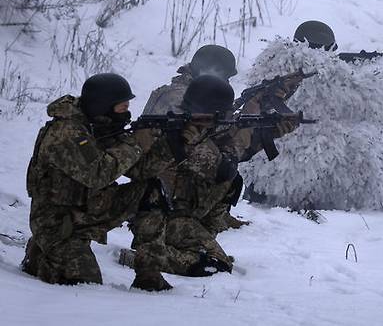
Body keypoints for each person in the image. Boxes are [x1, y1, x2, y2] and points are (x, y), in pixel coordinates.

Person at [129, 75, 299, 291]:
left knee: (233, 182)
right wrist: (251, 114)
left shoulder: (194, 126)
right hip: (164, 219)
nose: (228, 116)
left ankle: (199, 240)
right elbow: (224, 166)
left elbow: (235, 149)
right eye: (225, 112)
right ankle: (145, 258)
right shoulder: (182, 134)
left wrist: (271, 131)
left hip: (180, 211)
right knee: (216, 264)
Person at [242, 20, 383, 215]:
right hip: (314, 168)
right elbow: (375, 106)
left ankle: (257, 193)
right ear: (329, 47)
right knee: (366, 136)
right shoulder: (330, 72)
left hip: (273, 170)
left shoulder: (271, 63)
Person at [20, 73, 147, 286]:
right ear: (102, 107)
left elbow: (140, 171)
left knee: (149, 190)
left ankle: (149, 275)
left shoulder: (95, 124)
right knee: (85, 282)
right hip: (56, 223)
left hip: (84, 210)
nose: (127, 114)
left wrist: (170, 143)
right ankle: (41, 255)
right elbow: (98, 174)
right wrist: (135, 145)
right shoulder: (67, 132)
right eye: (122, 108)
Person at [142, 44, 248, 232]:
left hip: (176, 164)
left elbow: (215, 133)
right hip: (161, 176)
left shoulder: (198, 92)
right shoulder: (177, 96)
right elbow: (196, 143)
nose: (227, 82)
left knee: (229, 167)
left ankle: (211, 216)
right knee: (224, 169)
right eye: (225, 77)